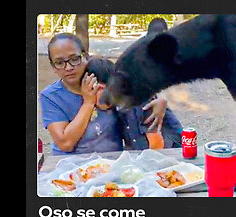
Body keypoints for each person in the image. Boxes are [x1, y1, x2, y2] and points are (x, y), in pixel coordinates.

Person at [40, 33, 171, 155]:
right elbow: (65, 144)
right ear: (53, 67)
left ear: (86, 57)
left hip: (112, 163)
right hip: (70, 166)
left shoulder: (104, 76)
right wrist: (88, 102)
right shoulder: (51, 96)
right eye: (59, 62)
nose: (68, 67)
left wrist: (160, 99)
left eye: (74, 59)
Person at [85, 56, 183, 150]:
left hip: (171, 151)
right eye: (95, 89)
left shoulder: (139, 102)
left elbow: (156, 143)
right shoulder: (110, 107)